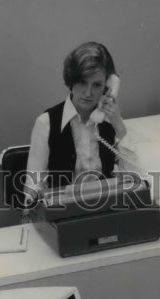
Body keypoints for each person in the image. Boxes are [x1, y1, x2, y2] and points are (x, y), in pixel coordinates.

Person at [23, 41, 128, 204]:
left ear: (107, 87)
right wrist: (31, 209)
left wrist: (118, 124)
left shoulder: (109, 122)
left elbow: (134, 177)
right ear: (71, 81)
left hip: (106, 211)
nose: (88, 93)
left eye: (97, 85)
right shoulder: (47, 123)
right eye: (82, 82)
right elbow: (34, 186)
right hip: (64, 214)